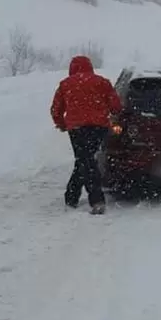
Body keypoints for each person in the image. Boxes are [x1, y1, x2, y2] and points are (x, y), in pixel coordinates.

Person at [50, 55, 122, 215]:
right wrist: (110, 115)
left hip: (76, 129)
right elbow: (116, 106)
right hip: (99, 127)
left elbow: (56, 109)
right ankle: (72, 196)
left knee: (85, 160)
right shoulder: (102, 82)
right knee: (86, 159)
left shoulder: (65, 84)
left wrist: (62, 124)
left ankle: (95, 200)